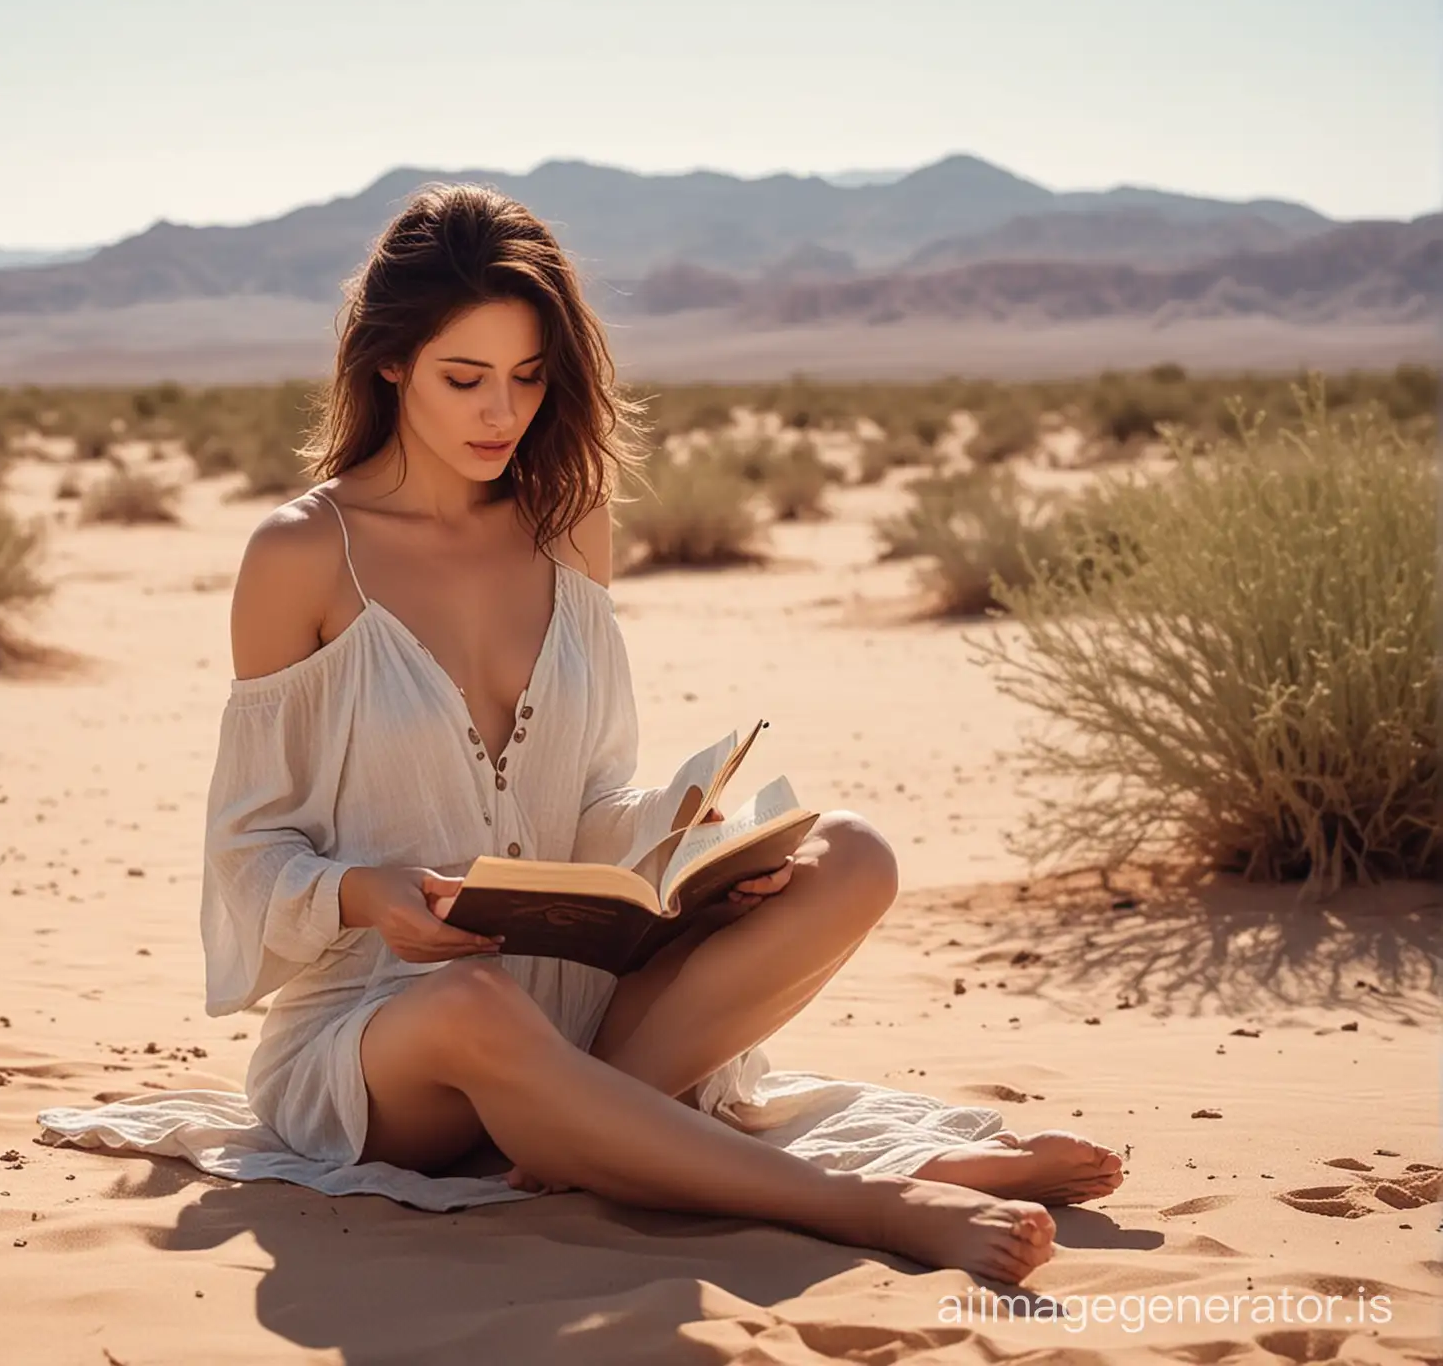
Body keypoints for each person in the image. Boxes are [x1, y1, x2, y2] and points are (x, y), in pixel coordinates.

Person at [204, 183, 1123, 1286]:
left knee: (852, 853)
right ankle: (866, 1205)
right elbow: (249, 858)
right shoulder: (303, 554)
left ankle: (592, 1136)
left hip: (587, 1008)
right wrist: (367, 895)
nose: (502, 413)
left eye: (530, 377)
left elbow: (590, 802)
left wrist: (690, 850)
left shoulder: (567, 521)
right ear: (390, 363)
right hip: (394, 1039)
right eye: (465, 378)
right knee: (477, 1005)